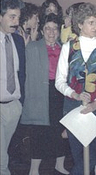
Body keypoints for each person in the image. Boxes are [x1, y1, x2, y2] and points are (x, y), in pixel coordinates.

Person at [55, 2, 96, 175]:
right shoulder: (68, 48)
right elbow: (59, 81)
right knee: (78, 156)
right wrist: (74, 94)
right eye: (90, 22)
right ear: (80, 24)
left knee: (93, 155)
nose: (95, 26)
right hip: (72, 107)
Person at [20, 13, 70, 175]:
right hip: (40, 92)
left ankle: (59, 164)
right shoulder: (33, 47)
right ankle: (34, 169)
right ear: (42, 30)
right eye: (47, 28)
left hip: (60, 92)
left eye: (54, 29)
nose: (51, 32)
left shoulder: (65, 48)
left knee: (60, 129)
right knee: (39, 132)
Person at [0, 0, 26, 175]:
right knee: (0, 160)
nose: (16, 22)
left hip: (13, 107)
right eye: (12, 17)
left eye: (18, 17)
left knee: (3, 153)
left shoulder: (17, 40)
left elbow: (21, 74)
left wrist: (20, 104)